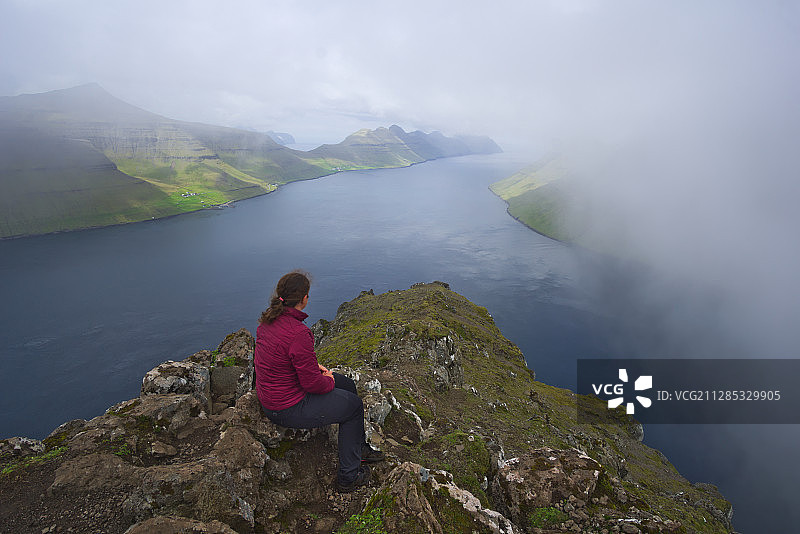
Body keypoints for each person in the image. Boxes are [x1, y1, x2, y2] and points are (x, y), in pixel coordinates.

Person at [254, 270, 384, 492]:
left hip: (274, 395)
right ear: (304, 298)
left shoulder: (267, 323)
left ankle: (358, 448)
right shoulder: (298, 332)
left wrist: (317, 370)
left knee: (349, 386)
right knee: (353, 407)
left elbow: (282, 362)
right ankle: (348, 478)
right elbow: (312, 385)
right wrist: (327, 380)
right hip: (286, 406)